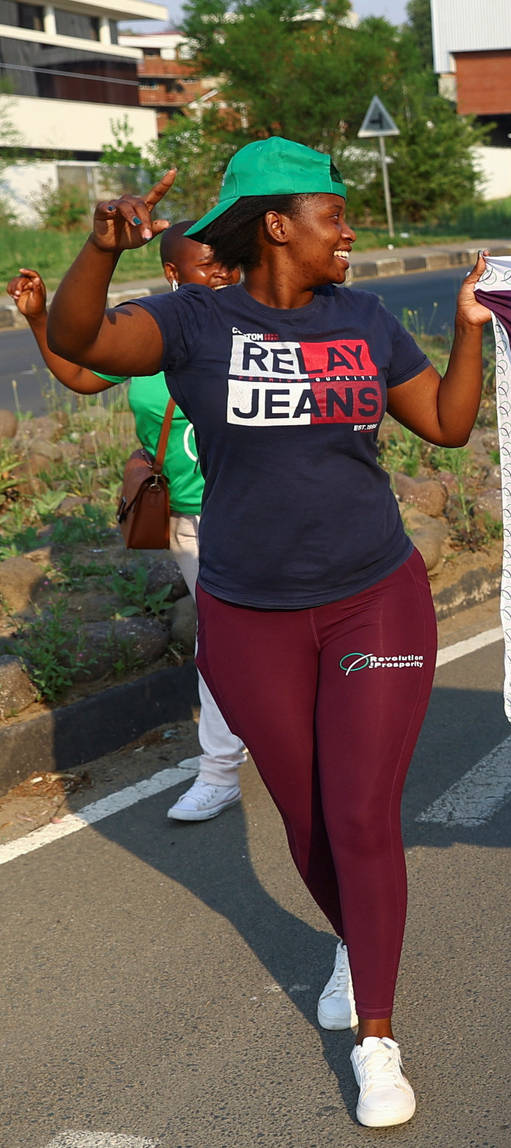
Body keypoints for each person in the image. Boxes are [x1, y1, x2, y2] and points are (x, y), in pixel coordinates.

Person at [44, 139, 491, 1128]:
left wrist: (468, 331)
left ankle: (377, 1035)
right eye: (333, 211)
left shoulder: (365, 318)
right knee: (307, 818)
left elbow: (450, 426)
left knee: (364, 813)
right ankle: (355, 938)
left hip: (375, 596)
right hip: (248, 615)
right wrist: (100, 251)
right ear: (277, 223)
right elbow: (79, 340)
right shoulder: (195, 320)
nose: (350, 226)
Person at [9, 228, 253, 825]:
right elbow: (85, 374)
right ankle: (220, 772)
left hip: (266, 514)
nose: (222, 273)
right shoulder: (148, 335)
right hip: (194, 522)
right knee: (222, 646)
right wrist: (41, 322)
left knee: (282, 637)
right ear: (172, 272)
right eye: (207, 264)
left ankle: (303, 744)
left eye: (229, 263)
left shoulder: (257, 324)